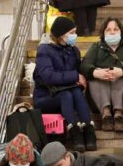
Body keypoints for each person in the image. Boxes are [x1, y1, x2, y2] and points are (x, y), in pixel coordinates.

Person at [33, 16, 97, 152]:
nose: (75, 36)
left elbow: (79, 71)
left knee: (76, 92)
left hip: (68, 92)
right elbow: (48, 76)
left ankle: (89, 132)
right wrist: (75, 76)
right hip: (46, 96)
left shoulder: (74, 50)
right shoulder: (44, 50)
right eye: (72, 32)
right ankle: (75, 133)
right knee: (66, 95)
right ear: (61, 35)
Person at [80, 17, 123, 132]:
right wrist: (96, 72)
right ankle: (106, 114)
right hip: (100, 89)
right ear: (103, 32)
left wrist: (122, 71)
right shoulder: (96, 46)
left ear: (121, 31)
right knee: (95, 78)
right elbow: (84, 65)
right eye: (108, 30)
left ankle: (119, 114)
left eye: (115, 29)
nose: (112, 32)